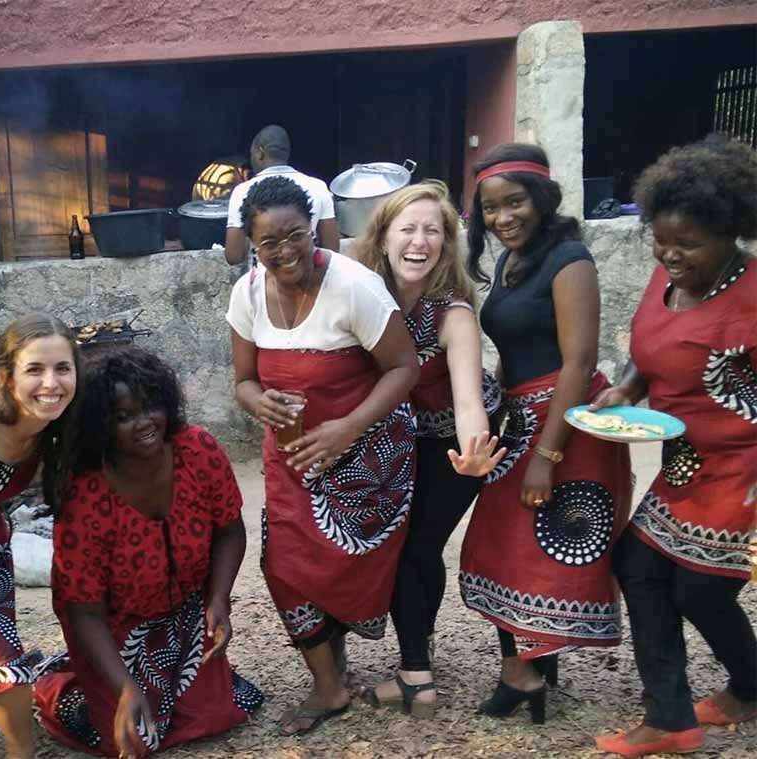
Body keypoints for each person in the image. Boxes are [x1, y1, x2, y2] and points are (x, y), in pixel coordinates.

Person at [226, 175, 419, 735]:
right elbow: (241, 381)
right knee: (283, 567)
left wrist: (346, 428)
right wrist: (260, 402)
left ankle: (339, 670)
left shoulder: (354, 286)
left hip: (368, 455)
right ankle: (328, 684)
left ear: (315, 229)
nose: (285, 252)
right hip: (290, 457)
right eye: (269, 243)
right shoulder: (246, 294)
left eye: (295, 236)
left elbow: (404, 367)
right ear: (252, 246)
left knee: (342, 563)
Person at [593, 136, 756, 757]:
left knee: (699, 589)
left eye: (687, 243)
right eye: (662, 240)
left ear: (730, 232)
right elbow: (649, 354)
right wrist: (628, 388)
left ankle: (743, 687)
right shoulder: (666, 275)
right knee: (637, 566)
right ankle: (672, 717)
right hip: (684, 463)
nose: (670, 254)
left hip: (744, 468)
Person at [458, 143, 632, 723]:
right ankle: (535, 663)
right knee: (506, 543)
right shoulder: (510, 261)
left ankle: (522, 674)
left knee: (520, 543)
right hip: (524, 417)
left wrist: (546, 456)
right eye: (490, 208)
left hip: (566, 422)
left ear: (542, 199)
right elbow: (514, 349)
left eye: (515, 202)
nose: (503, 217)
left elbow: (580, 362)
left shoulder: (570, 258)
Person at [33, 349, 263, 759]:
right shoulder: (86, 497)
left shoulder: (197, 450)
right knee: (136, 739)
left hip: (185, 613)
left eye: (150, 406)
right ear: (102, 426)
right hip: (113, 627)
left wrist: (218, 599)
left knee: (230, 710)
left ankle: (185, 681)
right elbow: (83, 611)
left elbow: (230, 531)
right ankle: (53, 683)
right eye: (123, 417)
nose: (144, 424)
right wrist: (124, 687)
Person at [354, 180, 505, 717]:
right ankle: (421, 654)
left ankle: (416, 674)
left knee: (410, 546)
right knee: (411, 548)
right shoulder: (363, 295)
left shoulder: (453, 312)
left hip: (458, 444)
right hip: (396, 438)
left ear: (447, 243)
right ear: (384, 236)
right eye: (408, 229)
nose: (420, 241)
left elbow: (468, 400)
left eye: (433, 231)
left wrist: (474, 450)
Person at [0, 313, 80, 759]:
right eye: (35, 370)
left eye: (62, 368)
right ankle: (20, 753)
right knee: (2, 657)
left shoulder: (49, 429)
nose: (51, 382)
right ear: (8, 377)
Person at [225, 124, 340, 265]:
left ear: (260, 152)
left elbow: (233, 256)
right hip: (309, 279)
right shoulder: (318, 186)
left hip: (265, 282)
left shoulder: (242, 191)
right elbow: (332, 251)